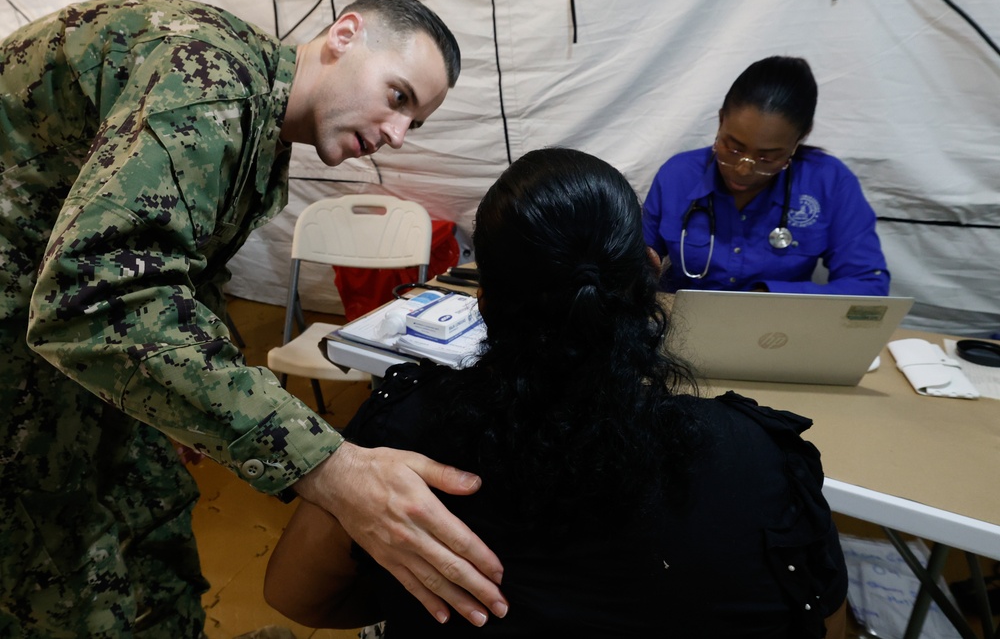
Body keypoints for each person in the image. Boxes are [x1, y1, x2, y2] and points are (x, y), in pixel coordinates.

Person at [0, 0, 509, 636]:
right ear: (344, 34)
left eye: (415, 123)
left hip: (55, 313)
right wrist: (329, 466)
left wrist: (195, 401)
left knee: (153, 518)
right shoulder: (205, 81)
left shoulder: (257, 120)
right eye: (398, 96)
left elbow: (178, 269)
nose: (397, 135)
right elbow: (95, 299)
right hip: (26, 323)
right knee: (60, 565)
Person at [264, 147, 849, 637]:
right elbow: (819, 613)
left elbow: (298, 597)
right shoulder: (757, 458)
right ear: (648, 280)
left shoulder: (402, 444)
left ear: (484, 300)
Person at [643, 55, 890, 295]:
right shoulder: (678, 175)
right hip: (684, 327)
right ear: (720, 121)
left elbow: (868, 285)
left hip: (779, 331)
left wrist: (767, 296)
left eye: (767, 157)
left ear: (800, 139)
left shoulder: (828, 182)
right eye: (733, 147)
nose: (743, 168)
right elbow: (632, 263)